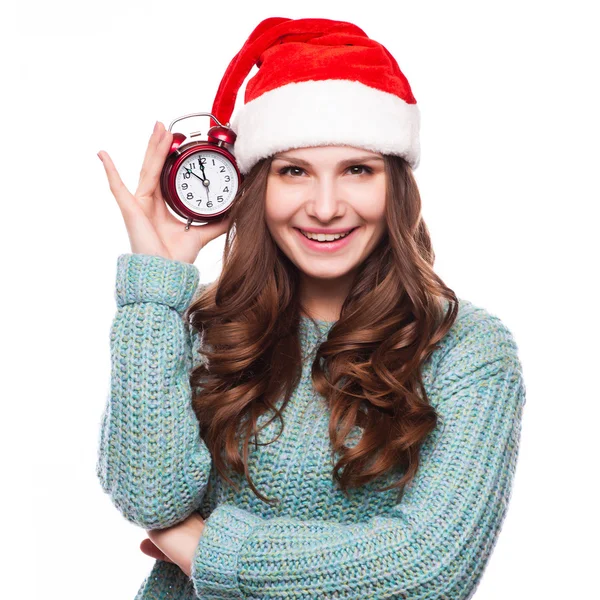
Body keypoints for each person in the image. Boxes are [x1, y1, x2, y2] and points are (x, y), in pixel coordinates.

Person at [96, 16, 526, 600]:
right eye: (294, 171)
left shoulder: (467, 350)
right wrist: (155, 284)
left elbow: (429, 570)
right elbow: (149, 496)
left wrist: (206, 553)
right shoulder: (204, 324)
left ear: (395, 187)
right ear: (254, 187)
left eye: (357, 170)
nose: (325, 207)